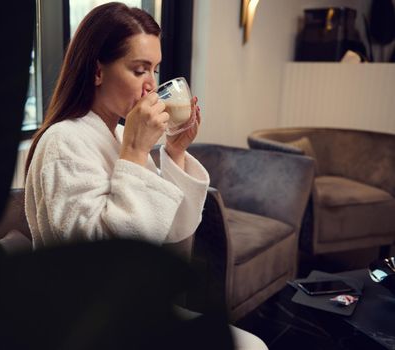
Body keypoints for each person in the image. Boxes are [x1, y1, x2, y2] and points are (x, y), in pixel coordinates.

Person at [24, 2, 267, 349]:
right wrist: (137, 153)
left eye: (155, 70)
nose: (151, 87)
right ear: (97, 72)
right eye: (139, 70)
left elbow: (172, 229)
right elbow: (99, 264)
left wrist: (175, 152)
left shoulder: (121, 136)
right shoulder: (64, 142)